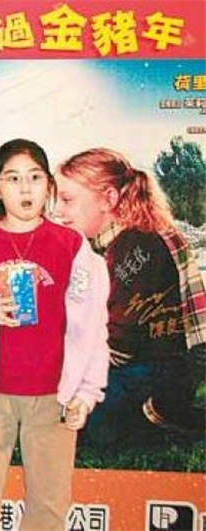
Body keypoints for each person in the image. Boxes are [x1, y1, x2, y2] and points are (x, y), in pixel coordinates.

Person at [0, 139, 109, 531]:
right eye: (13, 178)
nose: (25, 188)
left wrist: (86, 393)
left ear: (49, 186)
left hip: (54, 396)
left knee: (49, 505)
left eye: (35, 178)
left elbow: (93, 328)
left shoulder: (72, 245)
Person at [54, 147, 206, 445]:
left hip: (157, 370)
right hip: (159, 365)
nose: (58, 211)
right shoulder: (121, 239)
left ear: (108, 199)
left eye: (67, 200)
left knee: (74, 418)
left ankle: (164, 415)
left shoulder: (137, 245)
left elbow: (119, 341)